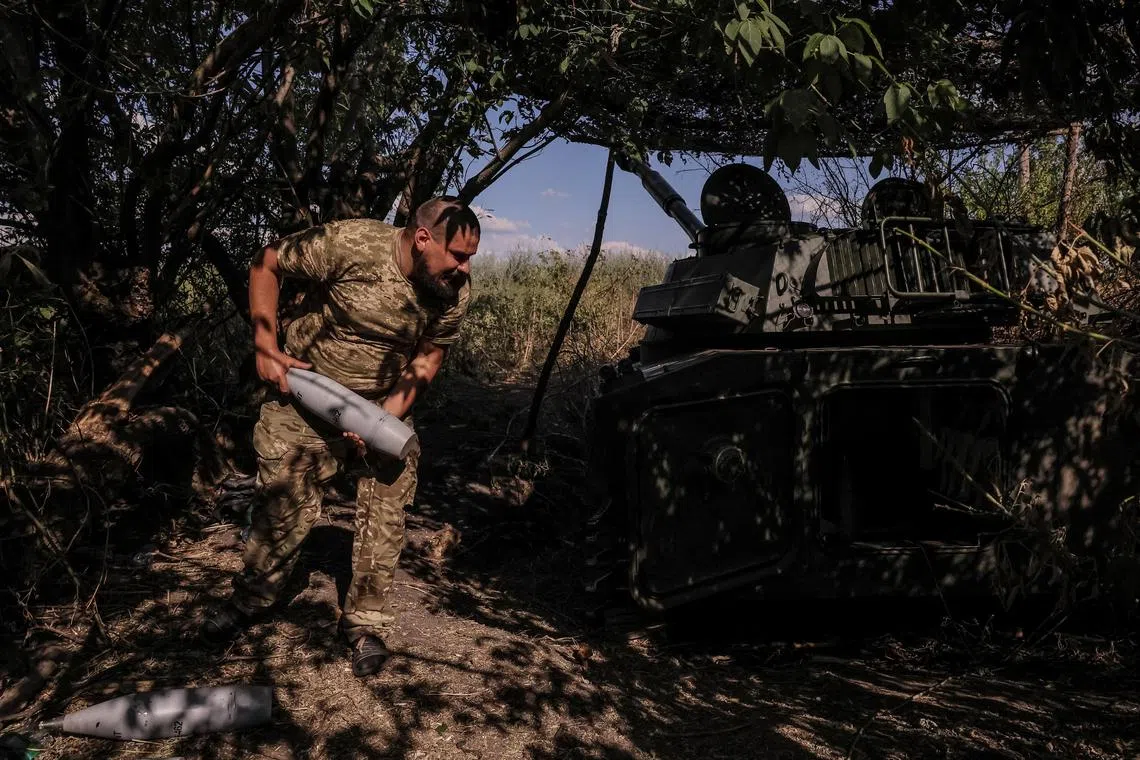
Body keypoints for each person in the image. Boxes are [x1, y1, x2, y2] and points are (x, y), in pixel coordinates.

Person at [200, 197, 479, 677]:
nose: (464, 267)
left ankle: (365, 622)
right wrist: (265, 344)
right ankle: (252, 599)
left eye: (471, 256)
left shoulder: (452, 291)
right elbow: (266, 262)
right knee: (281, 509)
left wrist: (381, 419)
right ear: (422, 237)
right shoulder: (351, 244)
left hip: (381, 413)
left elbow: (428, 358)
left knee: (388, 513)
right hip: (305, 401)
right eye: (458, 254)